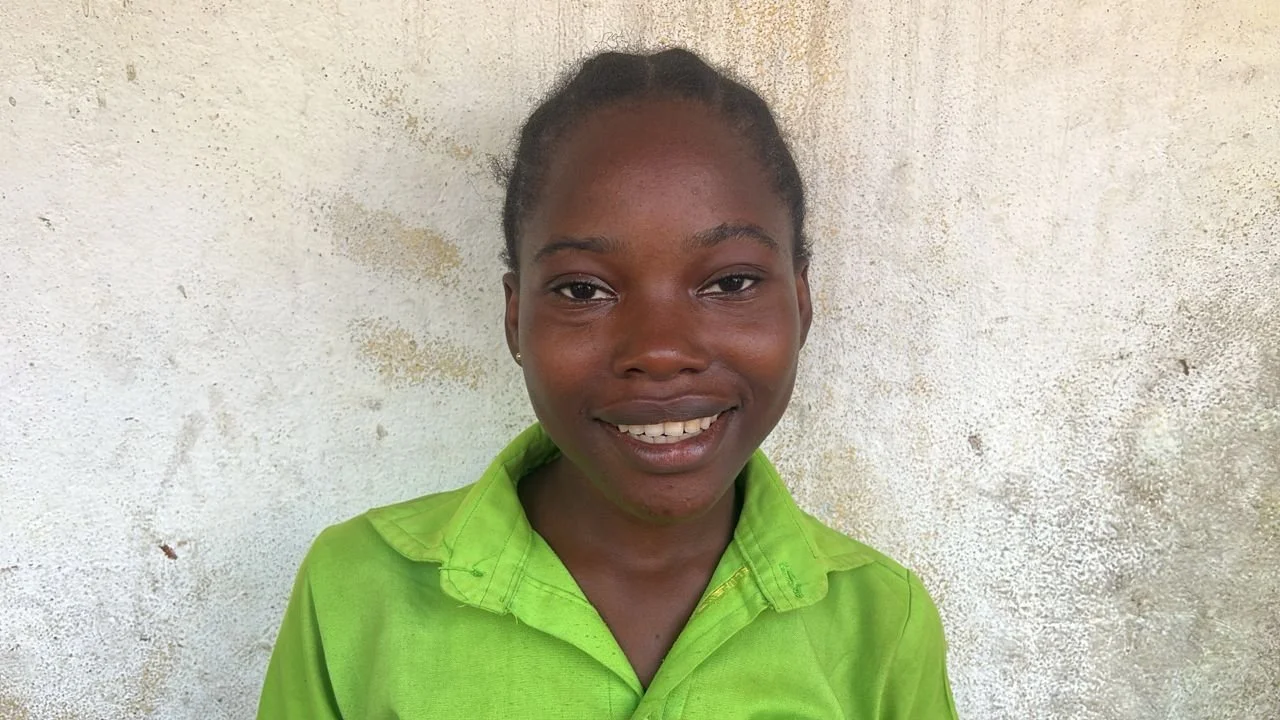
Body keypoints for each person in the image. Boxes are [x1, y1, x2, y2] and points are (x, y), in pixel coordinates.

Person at [257, 47, 958, 719]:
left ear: (801, 304)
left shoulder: (880, 623)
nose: (659, 351)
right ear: (515, 316)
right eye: (584, 290)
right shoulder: (358, 592)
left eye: (731, 281)